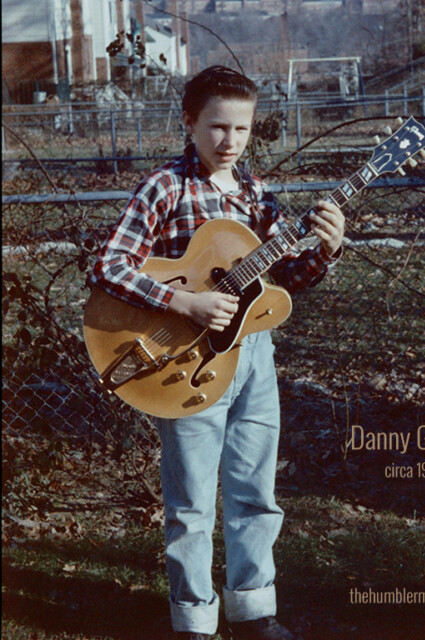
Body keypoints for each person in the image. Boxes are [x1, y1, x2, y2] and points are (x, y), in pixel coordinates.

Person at [90, 66, 344, 640]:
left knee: (256, 490)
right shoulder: (166, 188)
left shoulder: (257, 196)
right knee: (192, 500)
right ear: (189, 123)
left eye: (241, 129)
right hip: (186, 362)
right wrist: (184, 304)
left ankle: (254, 611)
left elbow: (285, 280)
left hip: (255, 356)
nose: (229, 141)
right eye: (216, 127)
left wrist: (326, 250)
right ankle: (194, 621)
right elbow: (108, 266)